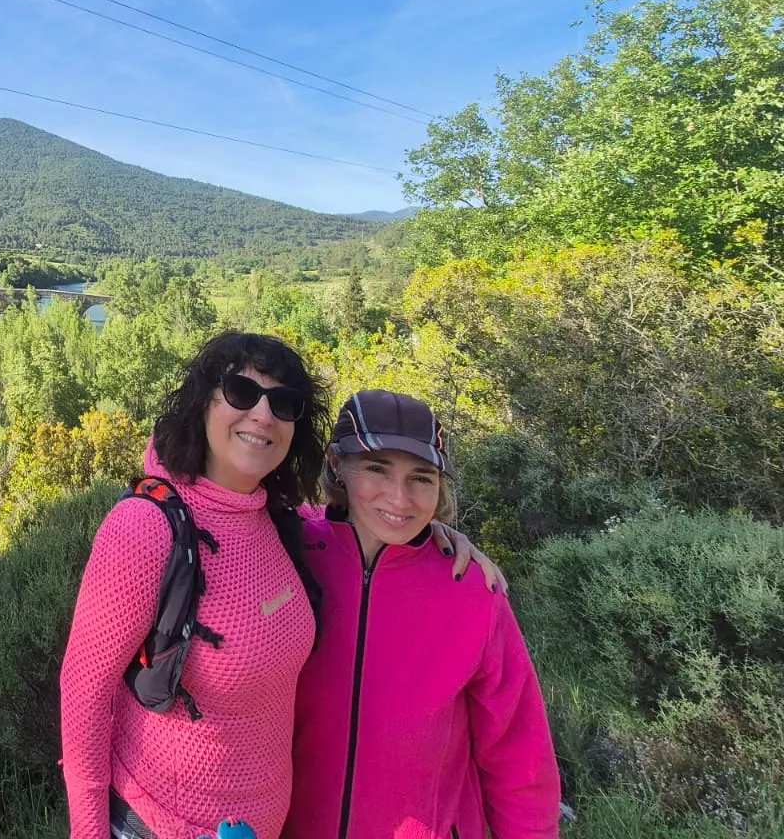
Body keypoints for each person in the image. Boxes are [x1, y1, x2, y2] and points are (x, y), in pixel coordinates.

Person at [59, 334, 497, 839]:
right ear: (203, 402)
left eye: (284, 403)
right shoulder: (144, 528)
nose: (263, 415)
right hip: (163, 826)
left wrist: (427, 529)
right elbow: (84, 693)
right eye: (242, 392)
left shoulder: (279, 522)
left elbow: (366, 521)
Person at [284, 389, 561, 839]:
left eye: (422, 477)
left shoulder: (472, 589)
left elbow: (518, 755)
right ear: (337, 465)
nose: (400, 498)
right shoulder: (287, 550)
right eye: (377, 469)